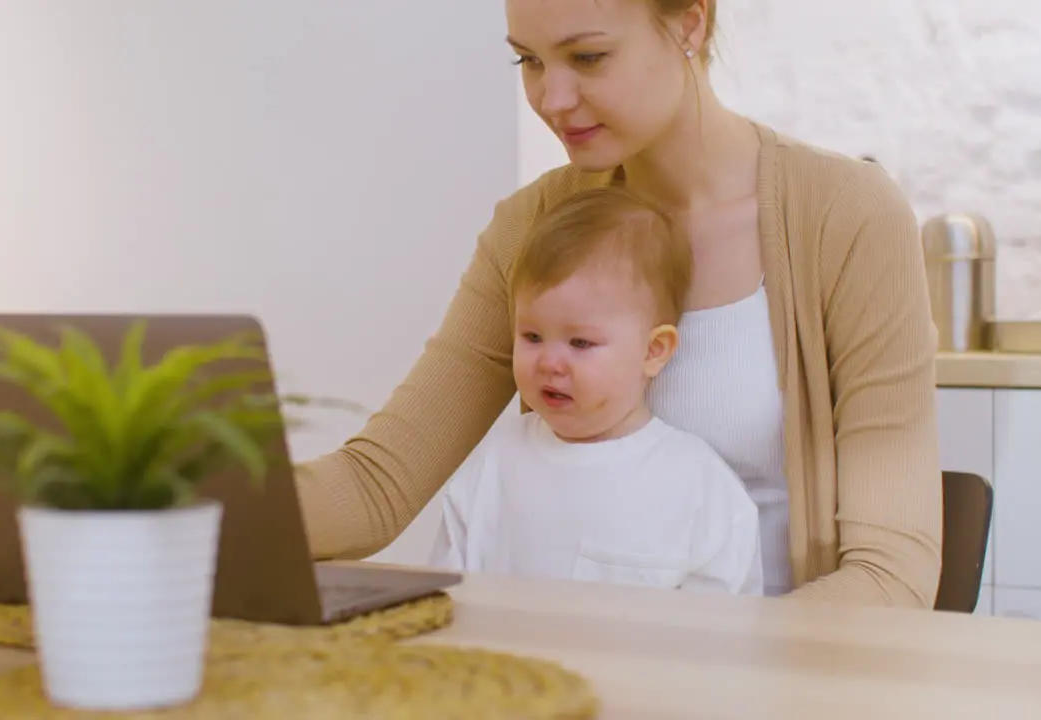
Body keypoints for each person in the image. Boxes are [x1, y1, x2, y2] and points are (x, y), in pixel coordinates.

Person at [295, 0, 942, 607]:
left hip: (770, 676)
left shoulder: (847, 217)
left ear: (690, 23)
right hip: (572, 674)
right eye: (530, 60)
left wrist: (721, 661)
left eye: (588, 58)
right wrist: (200, 493)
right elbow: (375, 486)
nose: (552, 98)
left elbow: (891, 572)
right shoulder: (534, 227)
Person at [427, 186, 764, 597]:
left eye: (580, 343)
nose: (549, 362)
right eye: (532, 336)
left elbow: (725, 634)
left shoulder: (697, 486)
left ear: (653, 351)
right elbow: (444, 595)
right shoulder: (495, 460)